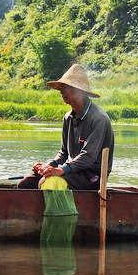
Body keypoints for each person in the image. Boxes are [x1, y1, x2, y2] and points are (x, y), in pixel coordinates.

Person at [17, 63, 114, 191]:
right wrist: (48, 166)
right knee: (25, 183)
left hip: (91, 176)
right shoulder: (68, 117)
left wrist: (61, 170)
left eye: (66, 87)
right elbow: (63, 153)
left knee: (47, 183)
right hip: (71, 170)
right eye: (61, 88)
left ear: (79, 91)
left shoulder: (98, 118)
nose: (62, 91)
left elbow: (88, 157)